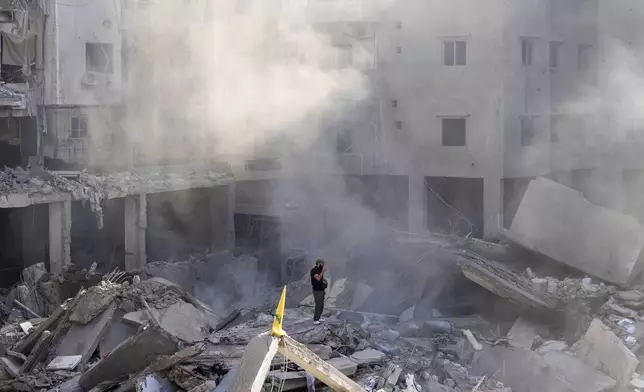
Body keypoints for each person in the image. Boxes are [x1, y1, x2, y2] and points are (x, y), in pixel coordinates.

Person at [310, 258, 327, 324]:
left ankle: (319, 317)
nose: (323, 265)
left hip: (321, 290)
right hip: (317, 290)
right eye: (322, 264)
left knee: (322, 305)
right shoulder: (314, 270)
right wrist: (323, 271)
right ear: (319, 263)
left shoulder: (319, 270)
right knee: (318, 304)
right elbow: (318, 278)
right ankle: (316, 319)